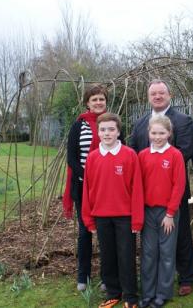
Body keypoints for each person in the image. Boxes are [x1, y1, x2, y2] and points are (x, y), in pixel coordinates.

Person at [130, 79, 193, 296]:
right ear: (149, 97)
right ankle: (154, 282)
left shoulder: (183, 121)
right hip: (147, 195)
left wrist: (161, 167)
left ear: (170, 95)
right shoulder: (140, 123)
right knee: (150, 244)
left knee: (182, 235)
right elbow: (134, 154)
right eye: (153, 94)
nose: (157, 97)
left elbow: (185, 150)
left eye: (161, 93)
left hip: (173, 192)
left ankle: (186, 277)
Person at [82, 112, 144, 308]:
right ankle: (113, 293)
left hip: (125, 217)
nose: (107, 133)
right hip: (101, 217)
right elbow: (87, 191)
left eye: (111, 129)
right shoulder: (92, 158)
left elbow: (137, 190)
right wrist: (89, 219)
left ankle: (131, 297)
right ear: (97, 133)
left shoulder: (129, 155)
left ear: (118, 132)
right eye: (102, 129)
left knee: (126, 257)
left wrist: (137, 219)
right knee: (107, 257)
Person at [62, 84, 107, 291]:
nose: (98, 102)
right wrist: (86, 177)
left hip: (107, 188)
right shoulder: (78, 126)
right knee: (85, 232)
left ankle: (108, 277)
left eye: (101, 99)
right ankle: (83, 276)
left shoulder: (111, 123)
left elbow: (120, 149)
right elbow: (71, 157)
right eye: (94, 99)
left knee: (107, 233)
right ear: (87, 103)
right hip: (82, 187)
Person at [138, 115, 186, 308]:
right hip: (148, 212)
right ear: (148, 133)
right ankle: (148, 293)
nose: (157, 137)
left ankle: (163, 293)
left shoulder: (175, 155)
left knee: (166, 253)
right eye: (154, 133)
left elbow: (179, 185)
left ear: (169, 134)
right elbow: (138, 186)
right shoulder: (142, 155)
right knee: (149, 253)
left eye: (162, 133)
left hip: (167, 214)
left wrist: (170, 213)